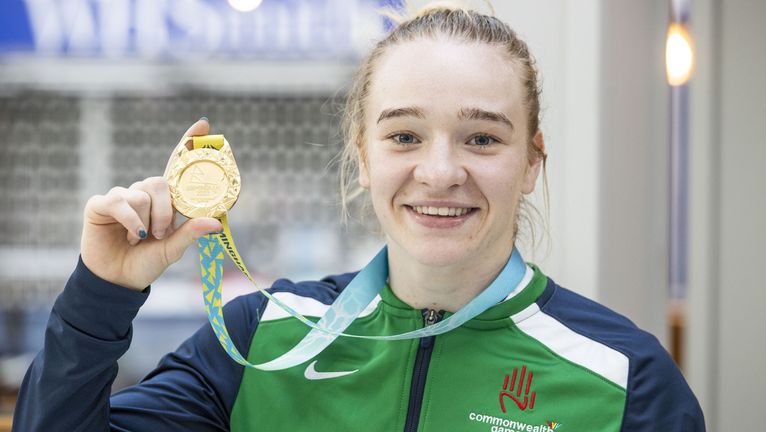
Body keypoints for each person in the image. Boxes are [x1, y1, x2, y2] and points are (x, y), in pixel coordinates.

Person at [13, 2, 705, 431]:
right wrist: (102, 290)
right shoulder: (261, 343)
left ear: (531, 162)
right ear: (364, 158)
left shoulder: (626, 379)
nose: (440, 172)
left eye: (483, 138)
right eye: (404, 136)